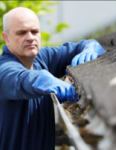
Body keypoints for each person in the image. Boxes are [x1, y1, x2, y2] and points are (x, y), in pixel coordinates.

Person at [0, 7, 106, 150]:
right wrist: (41, 79)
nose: (30, 37)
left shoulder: (42, 58)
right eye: (21, 32)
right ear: (6, 38)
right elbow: (19, 79)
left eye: (35, 31)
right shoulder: (4, 69)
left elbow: (83, 45)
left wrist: (91, 47)